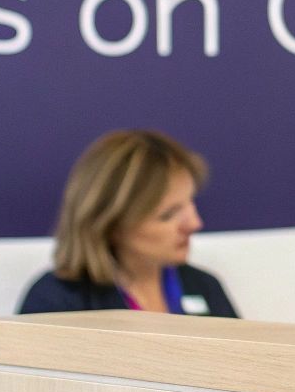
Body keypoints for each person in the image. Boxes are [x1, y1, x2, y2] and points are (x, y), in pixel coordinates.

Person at [18, 129, 238, 318]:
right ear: (110, 224)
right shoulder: (58, 301)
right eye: (168, 214)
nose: (194, 224)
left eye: (190, 203)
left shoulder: (204, 285)